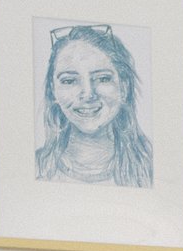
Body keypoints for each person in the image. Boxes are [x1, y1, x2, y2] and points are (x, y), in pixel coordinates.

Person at [36, 23, 155, 188]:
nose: (88, 94)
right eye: (69, 81)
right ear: (53, 89)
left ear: (124, 86)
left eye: (103, 79)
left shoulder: (151, 168)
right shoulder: (35, 168)